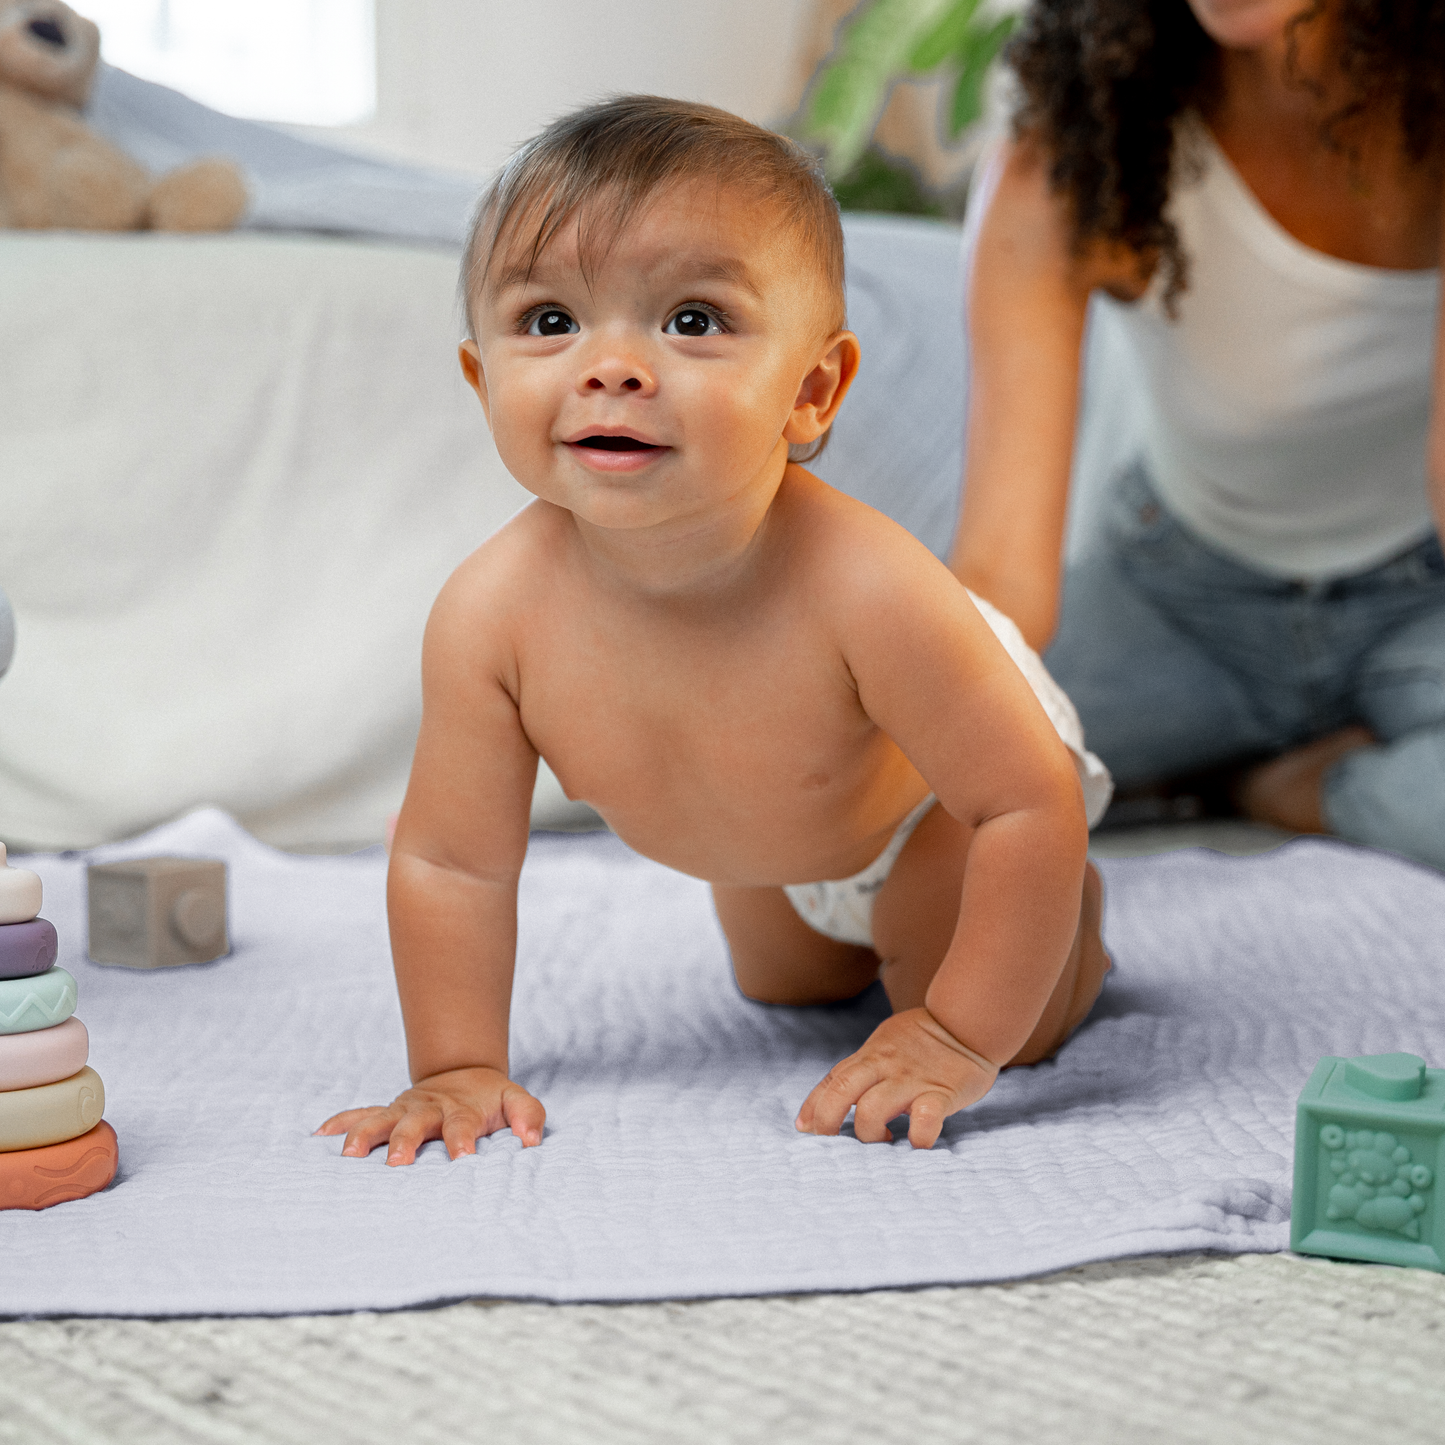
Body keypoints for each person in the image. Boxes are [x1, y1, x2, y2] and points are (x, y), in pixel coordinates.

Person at [317, 96, 1113, 1165]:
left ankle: (1075, 937)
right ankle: (863, 931)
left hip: (942, 805)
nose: (611, 365)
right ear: (482, 377)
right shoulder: (488, 614)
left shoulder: (869, 587)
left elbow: (1023, 797)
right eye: (550, 320)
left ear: (812, 388)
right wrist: (455, 1064)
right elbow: (452, 859)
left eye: (691, 320)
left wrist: (957, 1036)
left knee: (959, 989)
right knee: (785, 986)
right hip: (772, 842)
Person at [956, 0, 1445, 868]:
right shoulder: (1074, 149)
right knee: (923, 774)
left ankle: (1286, 788)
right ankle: (1245, 766)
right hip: (1176, 598)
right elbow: (996, 580)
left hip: (1421, 600)